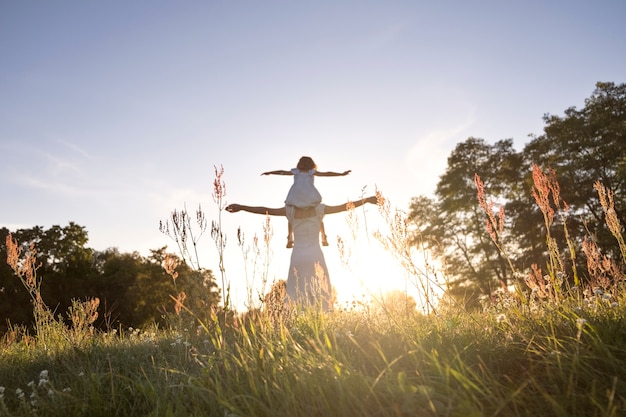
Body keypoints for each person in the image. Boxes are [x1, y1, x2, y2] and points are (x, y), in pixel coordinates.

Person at [226, 196, 379, 310]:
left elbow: (264, 210)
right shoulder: (320, 209)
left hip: (298, 256)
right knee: (321, 290)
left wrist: (241, 207)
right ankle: (322, 321)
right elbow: (345, 206)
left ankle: (296, 322)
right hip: (315, 254)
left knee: (295, 292)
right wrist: (366, 200)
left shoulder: (290, 211)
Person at [262, 156, 351, 248]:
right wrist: (341, 174)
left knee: (293, 215)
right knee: (314, 215)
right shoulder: (305, 172)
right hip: (307, 194)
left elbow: (282, 172)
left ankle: (297, 236)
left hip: (299, 194)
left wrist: (341, 174)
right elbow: (326, 174)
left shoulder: (303, 172)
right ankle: (315, 236)